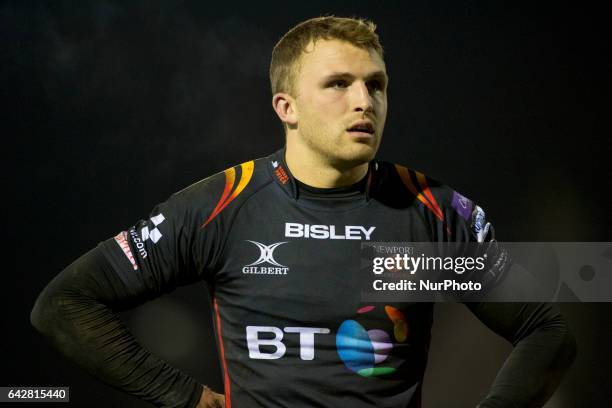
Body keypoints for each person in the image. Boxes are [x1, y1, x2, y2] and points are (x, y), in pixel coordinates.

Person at [31, 16, 576, 408]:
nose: (365, 101)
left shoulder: (431, 213)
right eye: (339, 84)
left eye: (376, 85)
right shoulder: (221, 206)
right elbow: (63, 306)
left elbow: (547, 330)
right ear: (285, 107)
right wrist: (182, 396)